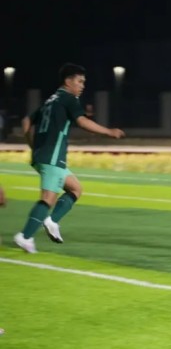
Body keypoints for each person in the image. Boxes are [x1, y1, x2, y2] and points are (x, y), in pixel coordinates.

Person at [13, 63, 125, 253]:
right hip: (53, 155)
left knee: (75, 189)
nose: (82, 86)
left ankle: (52, 221)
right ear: (68, 81)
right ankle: (25, 236)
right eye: (79, 81)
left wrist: (34, 146)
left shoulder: (51, 100)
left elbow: (26, 122)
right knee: (48, 198)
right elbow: (82, 121)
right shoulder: (69, 98)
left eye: (83, 82)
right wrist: (108, 131)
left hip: (45, 155)